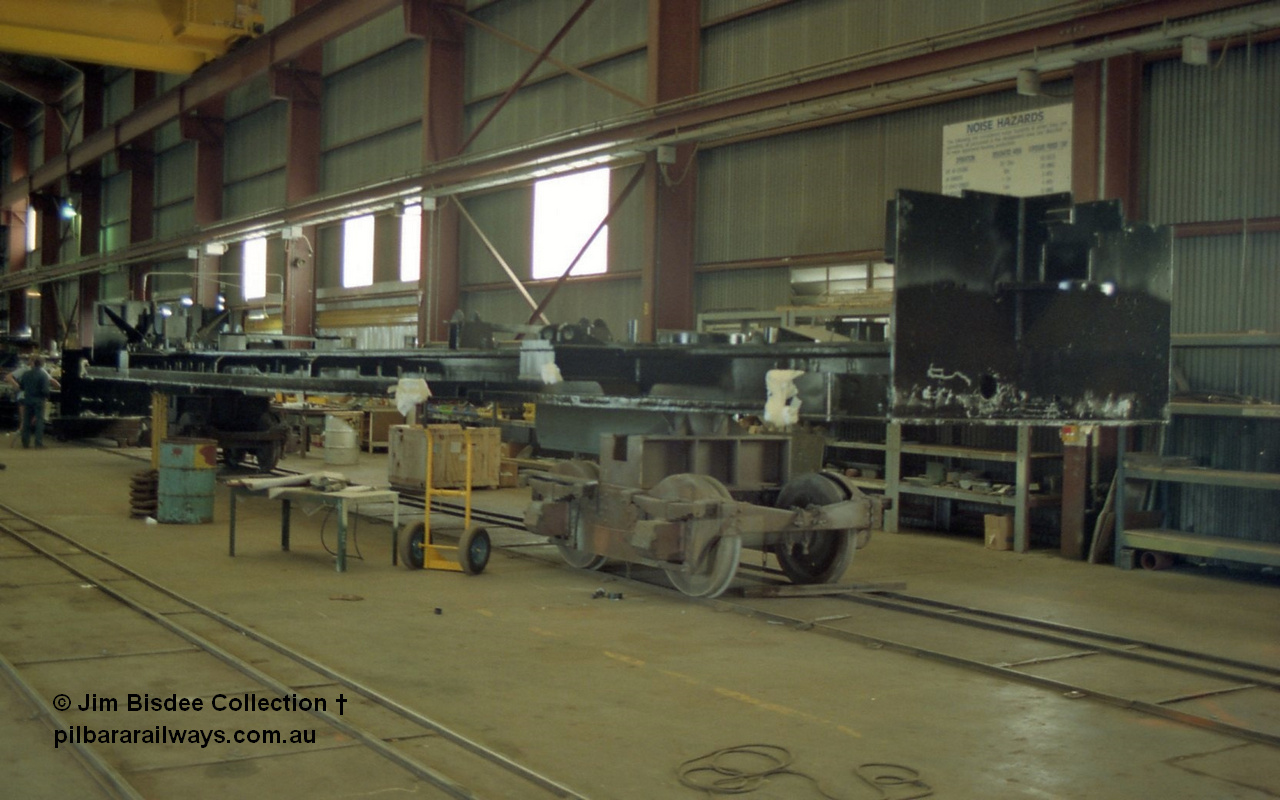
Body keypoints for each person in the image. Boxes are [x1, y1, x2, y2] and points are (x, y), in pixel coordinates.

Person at [15, 355, 59, 449]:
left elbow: (21, 386)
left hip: (27, 399)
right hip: (39, 400)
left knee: (26, 421)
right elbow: (45, 390)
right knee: (39, 421)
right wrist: (47, 397)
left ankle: (25, 442)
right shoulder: (43, 375)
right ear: (42, 364)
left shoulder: (26, 374)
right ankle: (38, 443)